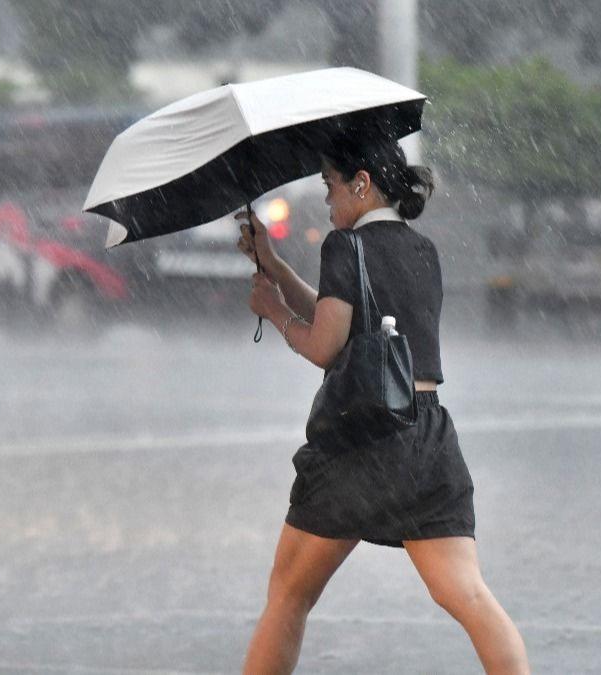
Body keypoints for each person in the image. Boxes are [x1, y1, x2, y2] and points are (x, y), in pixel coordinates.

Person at [235, 133, 530, 674]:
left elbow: (327, 345)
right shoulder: (423, 250)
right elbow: (348, 322)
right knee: (469, 596)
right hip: (428, 439)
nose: (327, 201)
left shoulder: (344, 247)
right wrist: (274, 267)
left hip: (361, 441)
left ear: (361, 185)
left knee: (289, 597)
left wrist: (273, 312)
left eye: (330, 187)